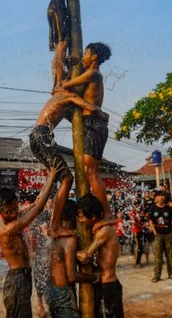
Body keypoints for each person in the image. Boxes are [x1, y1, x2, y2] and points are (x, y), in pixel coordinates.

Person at [29, 87, 108, 237]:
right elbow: (90, 107)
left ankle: (50, 220)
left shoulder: (57, 98)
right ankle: (54, 226)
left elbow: (74, 118)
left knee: (56, 177)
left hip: (35, 137)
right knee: (67, 179)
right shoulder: (69, 95)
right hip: (43, 136)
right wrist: (103, 115)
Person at [0, 161, 59, 318]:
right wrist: (51, 179)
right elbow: (38, 209)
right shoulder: (9, 227)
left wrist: (47, 180)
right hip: (17, 278)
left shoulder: (12, 215)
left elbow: (36, 202)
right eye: (9, 211)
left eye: (16, 208)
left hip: (21, 275)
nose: (14, 213)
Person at [58, 43, 112, 218]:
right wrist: (69, 64)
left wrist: (68, 65)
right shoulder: (91, 74)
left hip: (94, 124)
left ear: (94, 57)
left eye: (86, 54)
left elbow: (66, 85)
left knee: (91, 172)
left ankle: (107, 213)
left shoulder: (93, 74)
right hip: (88, 122)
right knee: (87, 171)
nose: (83, 57)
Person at [47, 199, 98, 318]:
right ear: (74, 217)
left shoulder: (54, 235)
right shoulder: (70, 239)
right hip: (63, 294)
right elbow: (72, 276)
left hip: (51, 289)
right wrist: (95, 277)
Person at [76, 194, 124, 318]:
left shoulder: (104, 231)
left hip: (108, 285)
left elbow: (85, 256)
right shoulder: (100, 227)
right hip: (104, 284)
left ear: (92, 217)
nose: (80, 221)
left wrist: (71, 252)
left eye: (82, 217)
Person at [149, 191, 172, 282]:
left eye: (163, 196)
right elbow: (150, 221)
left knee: (170, 256)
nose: (161, 197)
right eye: (159, 196)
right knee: (158, 257)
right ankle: (157, 276)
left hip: (168, 234)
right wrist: (154, 232)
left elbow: (171, 220)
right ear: (156, 198)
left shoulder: (168, 208)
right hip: (158, 235)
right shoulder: (153, 208)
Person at [129, 202, 144, 267]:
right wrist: (141, 226)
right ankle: (137, 262)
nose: (137, 206)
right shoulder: (133, 212)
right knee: (138, 246)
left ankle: (139, 261)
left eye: (138, 204)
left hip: (140, 230)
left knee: (140, 246)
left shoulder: (139, 212)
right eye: (136, 205)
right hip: (136, 230)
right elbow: (133, 222)